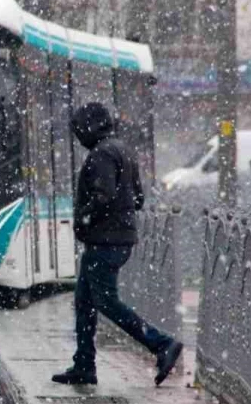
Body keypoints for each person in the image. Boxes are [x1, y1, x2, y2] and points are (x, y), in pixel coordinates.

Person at [52, 102, 183, 387]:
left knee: (106, 302)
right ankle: (84, 364)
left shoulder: (101, 155)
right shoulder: (122, 150)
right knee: (84, 301)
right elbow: (137, 198)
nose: (78, 137)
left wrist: (85, 217)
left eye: (78, 130)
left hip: (105, 241)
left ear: (89, 127)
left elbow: (104, 195)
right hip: (116, 238)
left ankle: (161, 344)